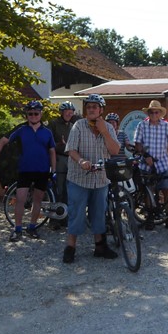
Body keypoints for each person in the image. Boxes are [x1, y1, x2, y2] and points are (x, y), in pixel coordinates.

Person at [62, 94, 121, 263]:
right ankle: (71, 247)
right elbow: (71, 149)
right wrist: (81, 161)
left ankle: (100, 246)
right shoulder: (78, 126)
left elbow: (115, 150)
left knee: (99, 213)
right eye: (89, 107)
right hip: (79, 177)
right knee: (76, 212)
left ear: (101, 110)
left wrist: (104, 131)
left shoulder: (108, 127)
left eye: (95, 107)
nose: (91, 109)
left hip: (100, 179)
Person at [0, 100, 56, 242]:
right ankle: (17, 229)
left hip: (42, 170)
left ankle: (32, 227)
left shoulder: (47, 132)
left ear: (40, 114)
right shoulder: (20, 129)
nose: (33, 116)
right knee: (20, 200)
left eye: (36, 113)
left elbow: (52, 152)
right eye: (30, 113)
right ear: (27, 115)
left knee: (37, 200)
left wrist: (54, 170)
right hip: (25, 170)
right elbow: (2, 141)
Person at [134, 100, 168, 231]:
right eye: (152, 112)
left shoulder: (165, 126)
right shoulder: (142, 125)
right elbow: (137, 144)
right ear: (149, 113)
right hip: (147, 164)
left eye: (156, 112)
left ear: (160, 113)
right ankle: (149, 218)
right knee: (148, 191)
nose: (154, 114)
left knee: (167, 190)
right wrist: (145, 155)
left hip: (162, 163)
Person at [48, 101, 79, 214]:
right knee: (58, 189)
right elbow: (48, 142)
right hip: (58, 158)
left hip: (70, 159)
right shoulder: (54, 124)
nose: (69, 114)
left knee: (69, 190)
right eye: (67, 112)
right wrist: (58, 145)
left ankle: (65, 215)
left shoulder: (73, 125)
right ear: (62, 112)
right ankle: (54, 218)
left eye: (71, 112)